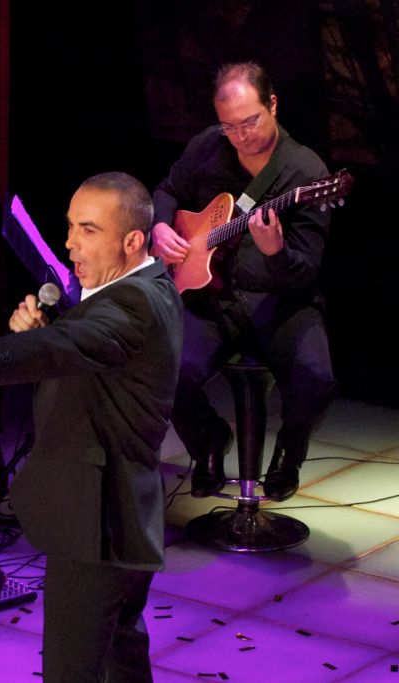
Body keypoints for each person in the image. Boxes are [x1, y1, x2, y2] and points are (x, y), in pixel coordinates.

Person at [0, 172, 183, 682]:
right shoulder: (148, 285)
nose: (70, 244)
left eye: (89, 230)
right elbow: (83, 348)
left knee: (72, 670)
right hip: (125, 513)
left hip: (98, 523)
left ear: (132, 241)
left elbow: (68, 345)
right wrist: (51, 329)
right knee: (120, 652)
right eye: (70, 226)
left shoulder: (132, 305)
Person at [149, 62, 337, 502]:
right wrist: (160, 226)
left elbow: (306, 270)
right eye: (229, 126)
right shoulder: (207, 147)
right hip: (213, 298)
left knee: (317, 378)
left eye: (249, 122)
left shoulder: (305, 171)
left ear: (273, 104)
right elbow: (167, 190)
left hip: (281, 302)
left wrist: (277, 251)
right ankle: (209, 441)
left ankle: (289, 454)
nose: (240, 136)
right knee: (163, 365)